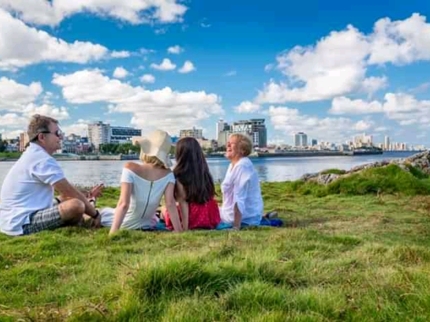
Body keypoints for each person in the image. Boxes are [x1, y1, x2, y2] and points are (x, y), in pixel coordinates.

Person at [0, 114, 103, 236]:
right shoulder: (41, 159)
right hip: (22, 222)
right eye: (57, 133)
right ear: (42, 137)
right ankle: (84, 219)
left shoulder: (33, 154)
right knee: (76, 205)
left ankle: (87, 207)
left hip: (11, 218)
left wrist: (86, 194)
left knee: (72, 198)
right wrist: (95, 213)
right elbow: (69, 191)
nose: (60, 137)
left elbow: (67, 191)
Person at [102, 129, 182, 234]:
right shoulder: (168, 174)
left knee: (103, 212)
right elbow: (170, 203)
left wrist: (113, 232)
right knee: (155, 217)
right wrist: (179, 230)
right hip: (148, 223)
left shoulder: (130, 167)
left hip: (124, 222)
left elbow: (124, 203)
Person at [164, 137, 220, 230]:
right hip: (209, 215)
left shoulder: (179, 175)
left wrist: (185, 228)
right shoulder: (204, 172)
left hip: (192, 217)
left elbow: (183, 203)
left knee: (164, 210)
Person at [219, 133, 264, 230]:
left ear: (242, 150)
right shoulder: (233, 165)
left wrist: (236, 226)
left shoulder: (242, 166)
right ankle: (265, 216)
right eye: (228, 143)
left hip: (242, 218)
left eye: (232, 143)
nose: (227, 146)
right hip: (235, 214)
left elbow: (239, 198)